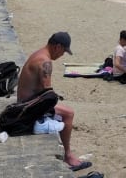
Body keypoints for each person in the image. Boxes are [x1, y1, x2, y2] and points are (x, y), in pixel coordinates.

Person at [17, 32, 90, 171]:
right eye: (64, 51)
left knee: (61, 108)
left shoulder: (39, 54)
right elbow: (47, 95)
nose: (62, 55)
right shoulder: (45, 62)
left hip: (25, 102)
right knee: (68, 114)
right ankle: (68, 157)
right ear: (58, 47)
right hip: (28, 107)